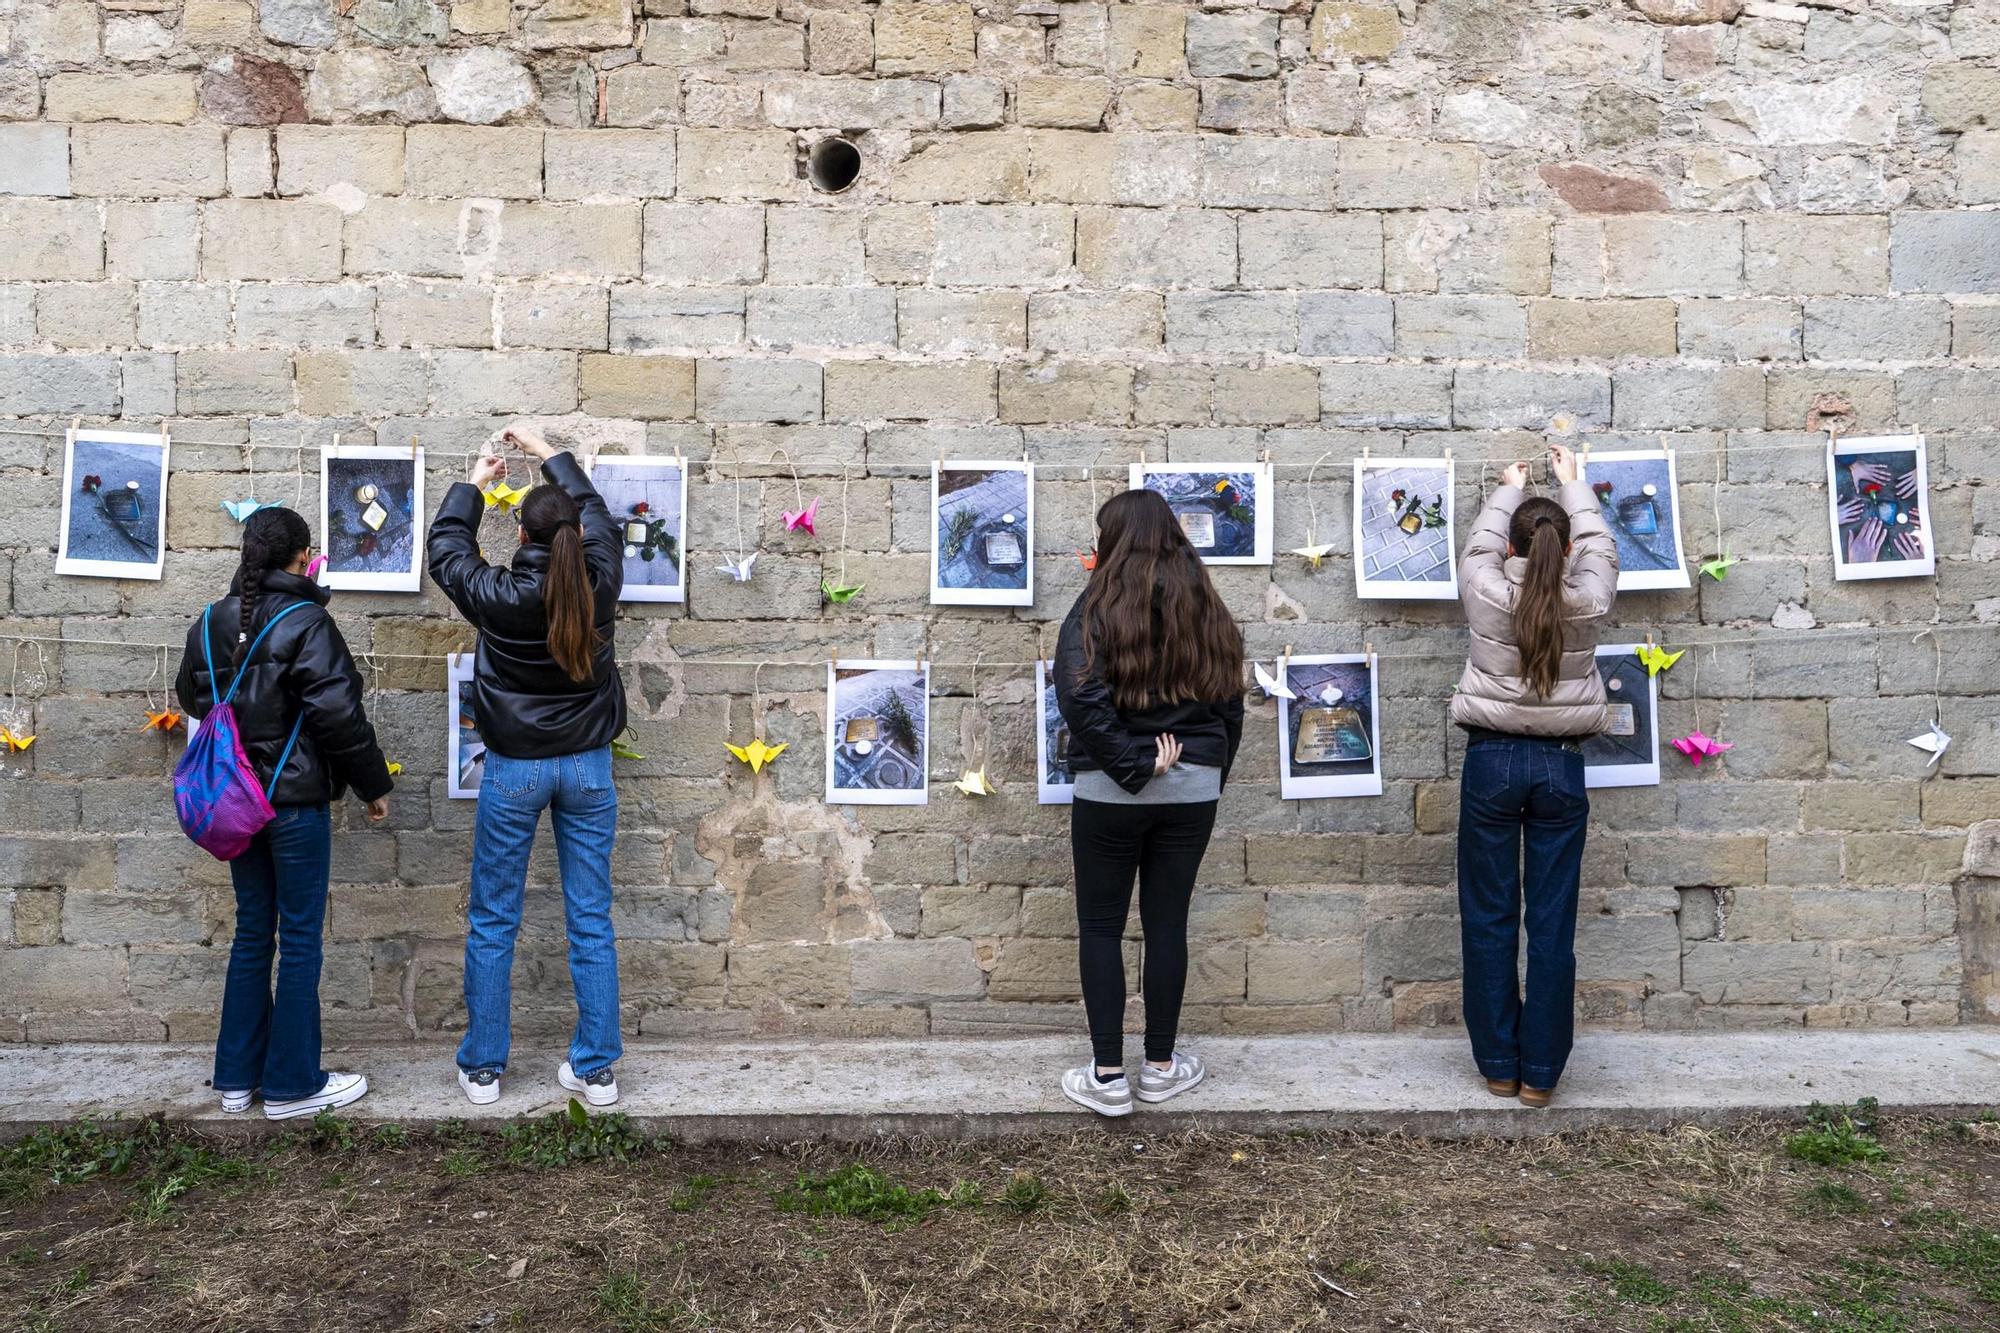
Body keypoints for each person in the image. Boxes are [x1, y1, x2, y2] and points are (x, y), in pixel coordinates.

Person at [428, 427, 626, 1108]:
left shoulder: (497, 594)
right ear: (573, 532)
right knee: (591, 918)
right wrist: (549, 451)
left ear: (522, 535)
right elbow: (595, 508)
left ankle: (484, 1068)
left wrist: (476, 481)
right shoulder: (600, 579)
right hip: (588, 770)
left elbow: (446, 552)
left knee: (493, 918)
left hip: (514, 770)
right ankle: (596, 1069)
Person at [175, 506, 394, 1121]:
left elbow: (192, 696)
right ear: (303, 558)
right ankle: (295, 1084)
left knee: (252, 933)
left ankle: (237, 1081)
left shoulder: (208, 622)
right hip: (291, 804)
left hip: (234, 803)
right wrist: (371, 785)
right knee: (298, 939)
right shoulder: (307, 621)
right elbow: (338, 716)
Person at [1053, 488, 1245, 1117]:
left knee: (1102, 927)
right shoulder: (1206, 606)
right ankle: (1160, 1067)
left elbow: (1079, 698)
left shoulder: (1094, 608)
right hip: (1191, 789)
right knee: (1167, 925)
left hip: (1111, 788)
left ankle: (1109, 1076)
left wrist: (1132, 764)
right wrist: (1207, 770)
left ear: (1113, 540)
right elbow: (1229, 702)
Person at [1450, 443, 1618, 1109]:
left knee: (1489, 915)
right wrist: (1573, 485)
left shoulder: (1486, 589)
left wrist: (1508, 489)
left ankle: (1497, 1062)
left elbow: (1478, 550)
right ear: (1566, 544)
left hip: (1491, 759)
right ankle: (1539, 1074)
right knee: (1551, 922)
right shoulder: (1587, 596)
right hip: (1560, 765)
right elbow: (1601, 548)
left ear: (1515, 544)